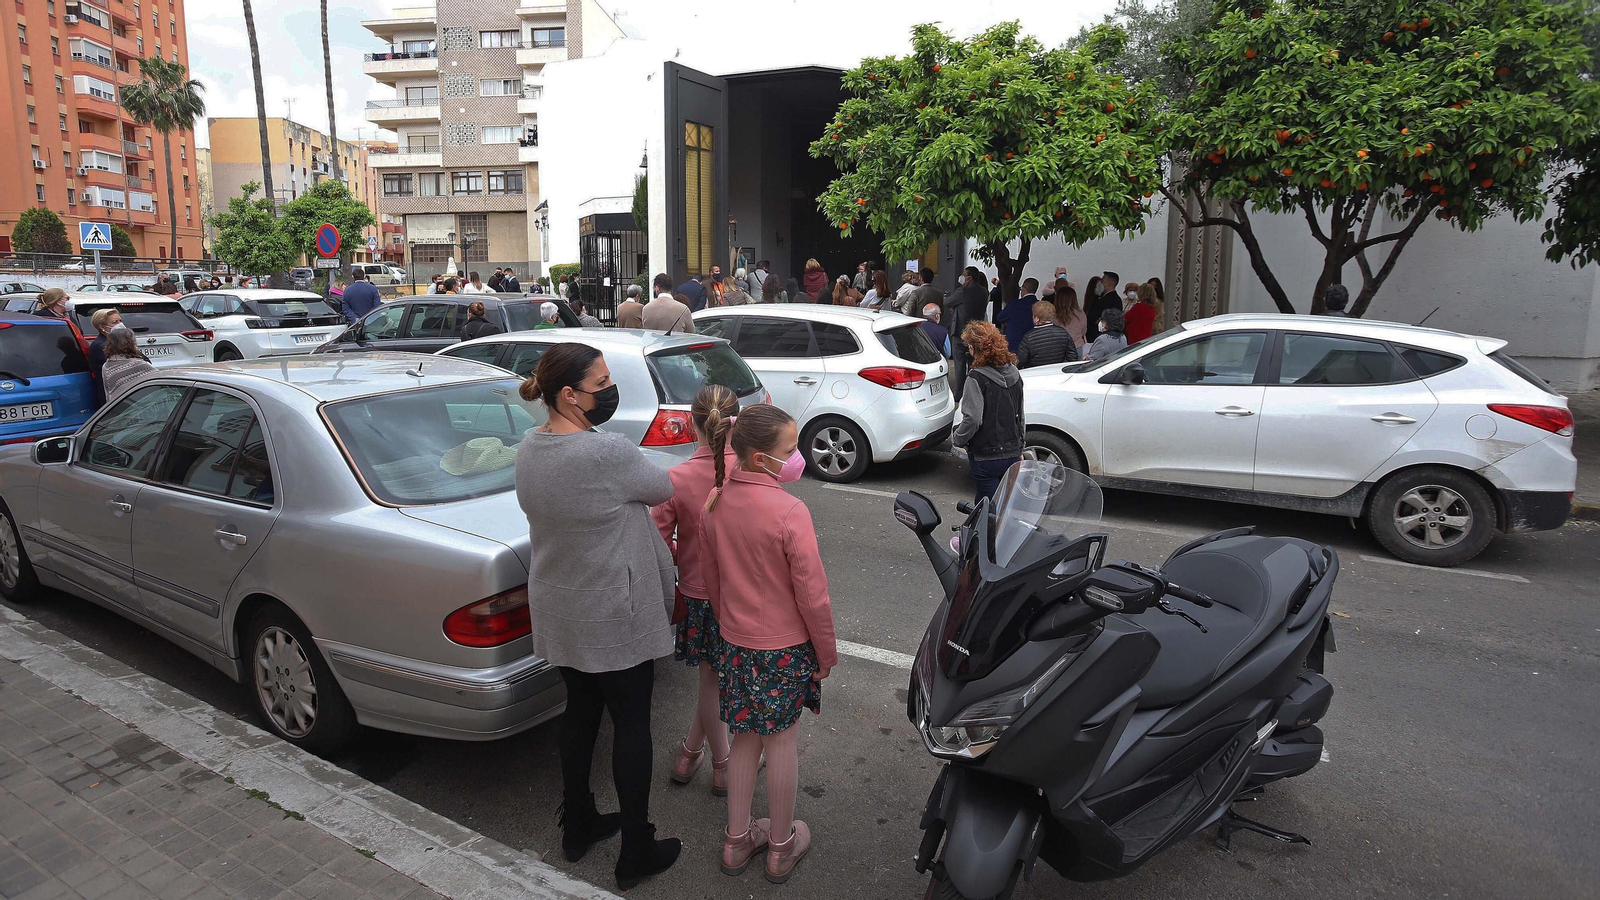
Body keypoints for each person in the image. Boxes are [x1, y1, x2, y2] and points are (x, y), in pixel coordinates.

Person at [514, 343, 683, 890]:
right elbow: (662, 488)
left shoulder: (529, 448)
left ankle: (578, 821)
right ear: (570, 394)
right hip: (613, 612)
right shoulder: (604, 452)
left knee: (580, 712)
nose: (609, 390)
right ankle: (636, 846)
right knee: (632, 724)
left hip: (561, 607)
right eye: (602, 382)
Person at [700, 403, 837, 884]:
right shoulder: (789, 511)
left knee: (744, 738)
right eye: (790, 450)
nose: (797, 457)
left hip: (736, 643)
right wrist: (825, 653)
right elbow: (812, 595)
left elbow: (712, 583)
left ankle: (737, 840)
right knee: (781, 743)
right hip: (784, 648)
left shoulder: (715, 501)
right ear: (761, 459)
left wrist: (728, 626)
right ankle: (780, 846)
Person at [652, 385, 739, 799]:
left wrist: (682, 547)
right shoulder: (753, 472)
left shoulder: (678, 477)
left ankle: (708, 756)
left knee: (710, 678)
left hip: (700, 593)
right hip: (746, 594)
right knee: (719, 678)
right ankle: (706, 756)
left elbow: (656, 537)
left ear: (691, 422)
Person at [952, 322, 1024, 503]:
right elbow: (1020, 415)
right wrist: (1020, 446)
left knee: (986, 507)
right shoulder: (1014, 373)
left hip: (986, 455)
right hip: (1013, 451)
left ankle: (985, 532)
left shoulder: (976, 378)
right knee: (1006, 506)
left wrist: (958, 438)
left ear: (972, 347)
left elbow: (973, 419)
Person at [946, 267, 989, 398]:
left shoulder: (962, 291)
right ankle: (973, 391)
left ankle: (959, 393)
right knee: (973, 363)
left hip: (960, 332)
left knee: (959, 364)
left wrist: (952, 303)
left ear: (969, 278)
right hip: (976, 332)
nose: (961, 277)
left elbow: (947, 302)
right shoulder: (984, 292)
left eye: (964, 275)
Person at [1016, 301, 1079, 368]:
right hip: (1058, 373)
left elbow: (1021, 361)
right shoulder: (1063, 333)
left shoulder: (1028, 337)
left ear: (1036, 318)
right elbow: (1072, 356)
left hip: (1036, 374)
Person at [100, 326, 155, 402]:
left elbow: (108, 395)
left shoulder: (106, 367)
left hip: (118, 407)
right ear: (131, 343)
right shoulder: (141, 365)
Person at [85, 308, 121, 407]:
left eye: (120, 321)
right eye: (115, 322)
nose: (119, 325)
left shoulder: (118, 342)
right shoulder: (100, 345)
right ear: (102, 327)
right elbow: (121, 364)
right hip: (111, 396)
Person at [994, 277, 1038, 352]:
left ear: (1023, 289)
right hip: (1033, 346)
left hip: (1015, 346)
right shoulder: (1039, 305)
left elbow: (999, 317)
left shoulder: (1015, 304)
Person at [1085, 272, 1123, 343]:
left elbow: (1094, 318)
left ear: (1108, 283)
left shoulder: (1107, 300)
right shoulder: (1116, 299)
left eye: (1102, 281)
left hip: (1099, 337)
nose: (1100, 283)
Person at [1051, 280, 1087, 349]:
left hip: (1059, 348)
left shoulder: (1054, 314)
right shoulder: (1080, 312)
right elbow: (1083, 331)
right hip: (1078, 346)